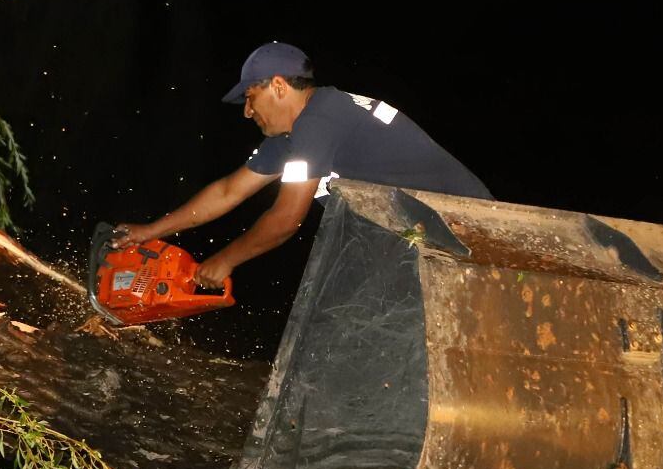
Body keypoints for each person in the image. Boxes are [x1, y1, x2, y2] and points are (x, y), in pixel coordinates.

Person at [114, 41, 491, 288]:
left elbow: (286, 219)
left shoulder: (322, 116)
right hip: (425, 238)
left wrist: (224, 260)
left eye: (250, 97)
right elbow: (228, 191)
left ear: (278, 86)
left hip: (473, 232)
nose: (247, 112)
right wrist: (150, 231)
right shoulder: (292, 137)